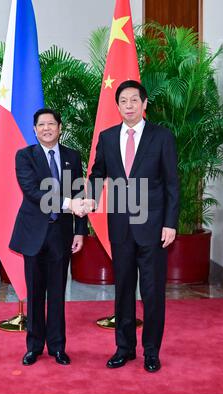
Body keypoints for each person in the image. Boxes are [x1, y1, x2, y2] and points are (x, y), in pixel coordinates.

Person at [85, 80, 179, 372]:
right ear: (118, 106)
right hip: (121, 227)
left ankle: (151, 351)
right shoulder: (108, 137)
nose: (129, 106)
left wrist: (170, 223)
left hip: (153, 228)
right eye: (123, 101)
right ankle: (124, 348)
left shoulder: (161, 137)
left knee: (152, 293)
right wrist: (84, 199)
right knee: (123, 289)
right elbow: (97, 173)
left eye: (134, 101)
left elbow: (172, 185)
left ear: (145, 103)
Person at [9, 108, 88, 366]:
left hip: (61, 235)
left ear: (60, 127)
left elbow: (80, 196)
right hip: (34, 234)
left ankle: (57, 347)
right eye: (41, 124)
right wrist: (68, 204)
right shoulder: (25, 156)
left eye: (51, 124)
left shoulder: (72, 157)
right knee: (34, 294)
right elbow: (33, 192)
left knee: (57, 293)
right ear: (34, 129)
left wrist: (80, 231)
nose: (46, 128)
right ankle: (34, 347)